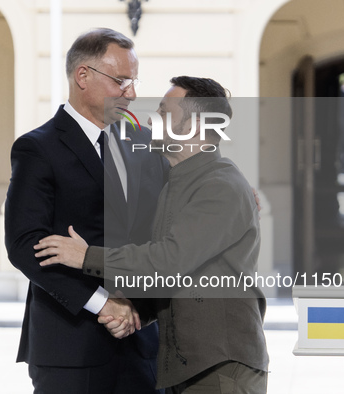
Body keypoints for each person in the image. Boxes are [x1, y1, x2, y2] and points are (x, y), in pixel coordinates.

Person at [34, 76, 269, 393]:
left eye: (163, 113)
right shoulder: (176, 184)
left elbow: (168, 260)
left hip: (220, 368)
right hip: (187, 367)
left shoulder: (221, 186)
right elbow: (175, 277)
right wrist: (137, 314)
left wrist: (85, 256)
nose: (150, 120)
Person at [4, 28, 167, 393]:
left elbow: (169, 214)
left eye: (134, 81)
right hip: (70, 347)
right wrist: (104, 304)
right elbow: (24, 244)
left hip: (142, 341)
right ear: (83, 76)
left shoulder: (141, 141)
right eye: (122, 81)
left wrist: (230, 187)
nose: (133, 93)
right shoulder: (37, 148)